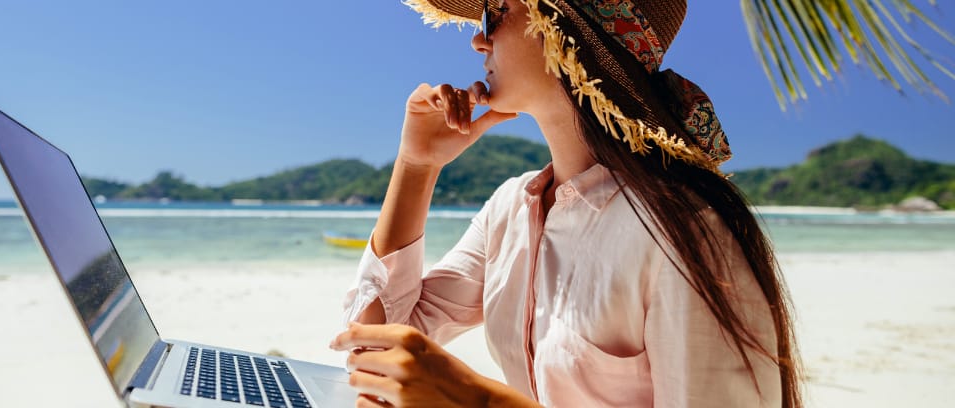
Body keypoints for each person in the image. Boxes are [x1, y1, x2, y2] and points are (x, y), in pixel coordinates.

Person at [329, 0, 802, 406]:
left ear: (562, 31)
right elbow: (371, 348)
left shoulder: (685, 231)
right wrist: (416, 166)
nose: (478, 39)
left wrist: (482, 400)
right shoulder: (510, 209)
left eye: (498, 12)